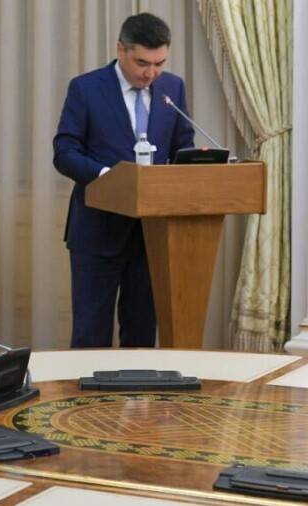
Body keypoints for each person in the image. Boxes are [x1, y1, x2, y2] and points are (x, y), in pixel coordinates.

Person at [53, 13, 194, 348]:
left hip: (152, 235)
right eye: (142, 63)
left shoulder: (172, 88)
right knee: (91, 335)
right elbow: (65, 152)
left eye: (159, 64)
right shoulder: (86, 88)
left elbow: (182, 147)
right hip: (97, 232)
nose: (151, 73)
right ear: (121, 50)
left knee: (142, 335)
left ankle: (138, 386)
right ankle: (86, 387)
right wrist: (109, 178)